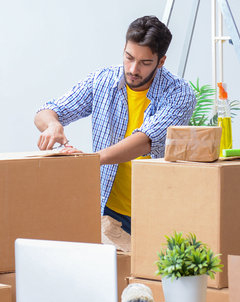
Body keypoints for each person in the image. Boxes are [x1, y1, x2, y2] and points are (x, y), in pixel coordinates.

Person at [34, 16, 196, 234]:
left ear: (161, 61)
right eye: (129, 57)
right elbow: (47, 111)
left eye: (145, 63)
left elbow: (145, 141)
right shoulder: (102, 80)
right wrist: (53, 125)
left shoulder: (179, 93)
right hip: (108, 210)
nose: (133, 69)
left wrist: (88, 161)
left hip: (156, 211)